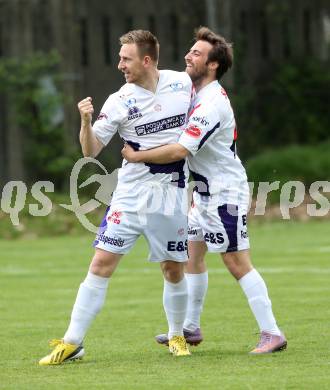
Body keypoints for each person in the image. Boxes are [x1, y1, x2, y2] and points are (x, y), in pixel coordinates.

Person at [122, 27, 287, 355]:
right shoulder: (194, 92)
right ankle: (191, 327)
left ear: (213, 65)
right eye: (190, 50)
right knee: (191, 255)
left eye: (196, 53)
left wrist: (136, 155)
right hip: (203, 194)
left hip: (224, 194)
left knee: (236, 261)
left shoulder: (211, 103)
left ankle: (272, 333)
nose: (188, 56)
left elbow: (181, 151)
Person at [39, 30, 193, 365]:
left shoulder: (182, 84)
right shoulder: (120, 100)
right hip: (130, 195)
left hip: (171, 194)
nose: (119, 64)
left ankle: (177, 335)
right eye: (120, 57)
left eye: (126, 58)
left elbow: (206, 111)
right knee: (100, 263)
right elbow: (91, 150)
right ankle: (72, 342)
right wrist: (85, 122)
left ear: (147, 60)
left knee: (173, 269)